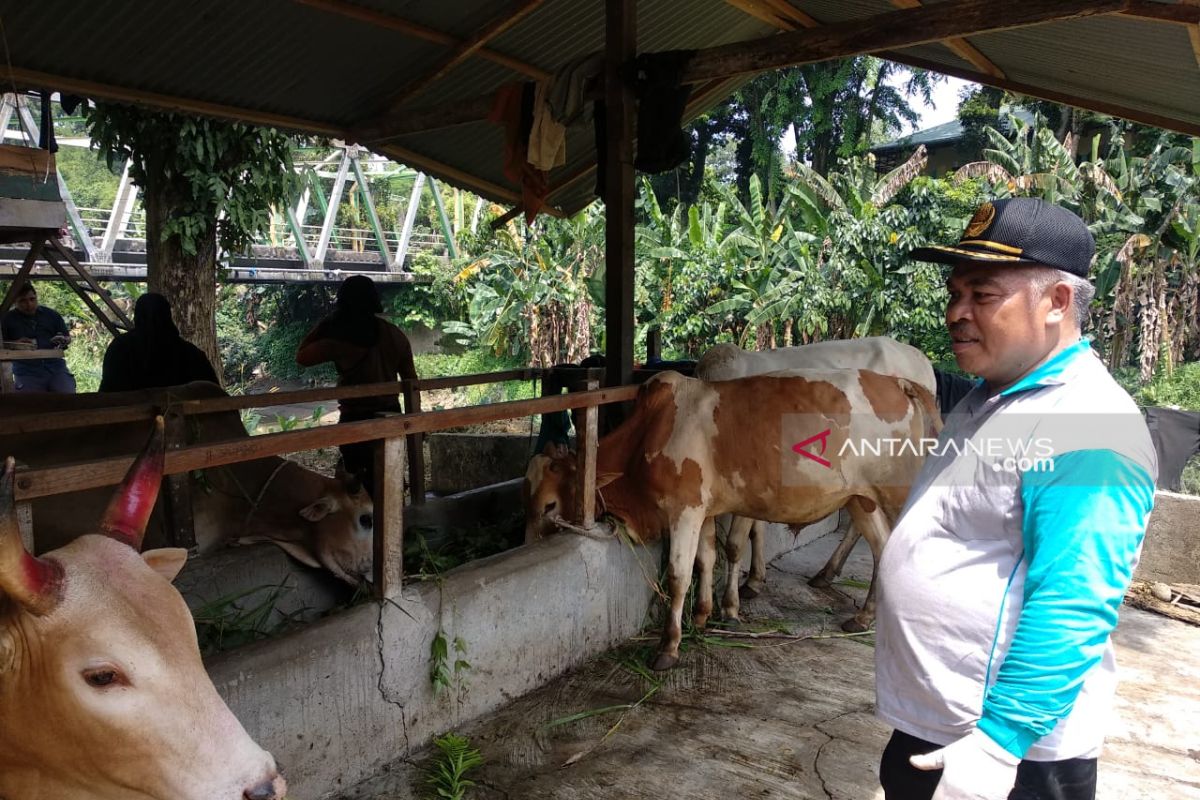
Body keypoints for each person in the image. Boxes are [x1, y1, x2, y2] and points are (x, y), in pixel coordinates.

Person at [875, 198, 1157, 800]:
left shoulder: (1088, 421)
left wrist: (1002, 740)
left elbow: (1075, 596)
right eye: (954, 294)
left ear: (1056, 303)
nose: (956, 313)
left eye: (982, 296)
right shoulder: (991, 398)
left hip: (1006, 757)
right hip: (937, 725)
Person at [296, 275, 417, 493]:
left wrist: (325, 323)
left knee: (358, 486)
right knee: (390, 477)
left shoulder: (340, 343)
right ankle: (397, 523)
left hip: (356, 419)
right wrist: (414, 422)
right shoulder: (395, 335)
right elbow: (411, 382)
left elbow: (302, 356)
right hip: (391, 413)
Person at [99, 292, 220, 392]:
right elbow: (213, 393)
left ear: (137, 316)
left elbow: (107, 394)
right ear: (167, 315)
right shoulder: (190, 354)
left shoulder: (120, 348)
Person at [1, 283, 76, 393]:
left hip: (55, 368)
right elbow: (2, 345)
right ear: (14, 302)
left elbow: (67, 337)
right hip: (26, 371)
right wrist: (15, 343)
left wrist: (64, 339)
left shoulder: (52, 315)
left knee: (69, 399)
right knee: (30, 407)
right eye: (23, 301)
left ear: (36, 297)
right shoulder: (7, 319)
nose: (29, 304)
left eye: (32, 299)